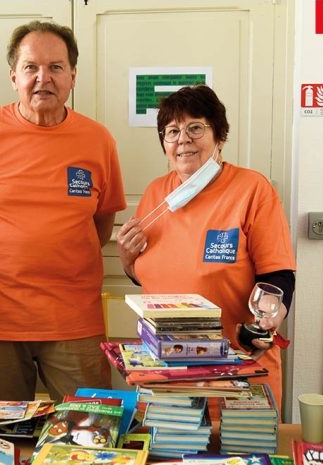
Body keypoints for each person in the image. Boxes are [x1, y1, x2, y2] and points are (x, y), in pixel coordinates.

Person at [0, 20, 126, 402]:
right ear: (13, 76)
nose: (43, 78)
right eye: (31, 67)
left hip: (73, 318)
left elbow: (101, 224)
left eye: (55, 67)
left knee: (90, 428)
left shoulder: (98, 140)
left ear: (72, 75)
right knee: (4, 435)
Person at [116, 85, 295, 411]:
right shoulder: (156, 194)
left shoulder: (252, 189)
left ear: (220, 136)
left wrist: (270, 312)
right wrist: (128, 260)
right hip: (165, 373)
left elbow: (279, 275)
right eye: (172, 131)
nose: (183, 138)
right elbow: (148, 276)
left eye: (195, 127)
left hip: (236, 371)